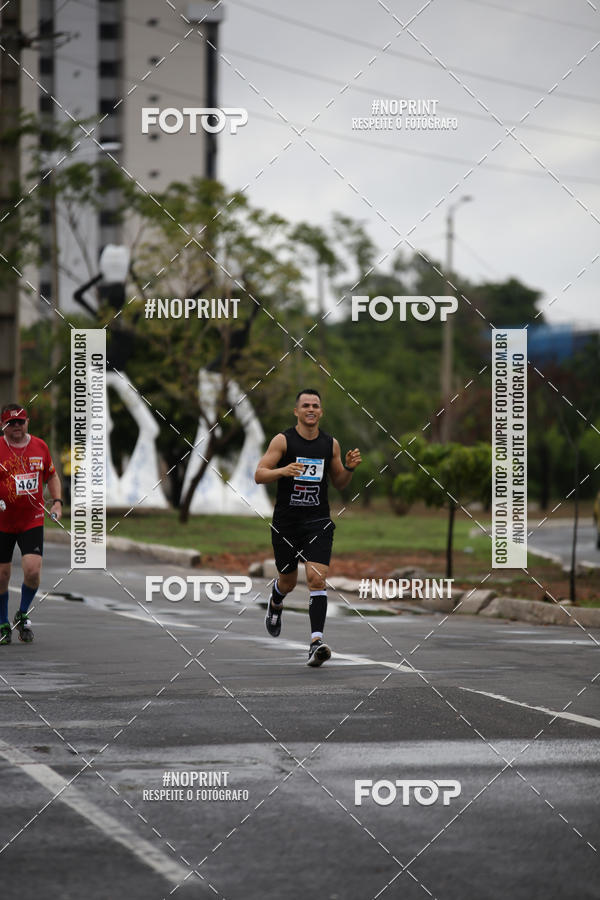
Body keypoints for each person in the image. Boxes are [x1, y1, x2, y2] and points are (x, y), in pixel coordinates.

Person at [255, 389, 361, 666]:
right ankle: (276, 602)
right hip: (286, 523)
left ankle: (316, 642)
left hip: (318, 521)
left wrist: (348, 469)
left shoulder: (330, 444)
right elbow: (259, 474)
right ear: (297, 411)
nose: (311, 409)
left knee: (316, 579)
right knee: (288, 581)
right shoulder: (283, 440)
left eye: (315, 405)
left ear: (321, 412)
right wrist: (283, 471)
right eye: (305, 405)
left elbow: (338, 483)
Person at [0, 405, 62, 645]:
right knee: (2, 575)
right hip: (3, 521)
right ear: (3, 425)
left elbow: (52, 475)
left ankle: (22, 613)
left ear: (27, 422)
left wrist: (57, 502)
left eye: (20, 422)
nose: (16, 427)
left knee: (33, 571)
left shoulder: (40, 446)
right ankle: (3, 622)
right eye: (10, 423)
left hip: (31, 518)